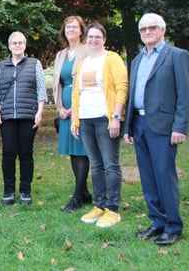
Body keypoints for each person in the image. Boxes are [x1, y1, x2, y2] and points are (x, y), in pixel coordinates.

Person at [123, 13, 189, 246]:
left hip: (164, 127)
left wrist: (180, 126)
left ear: (163, 30)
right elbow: (133, 94)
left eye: (152, 28)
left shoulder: (176, 56)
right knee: (148, 177)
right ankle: (157, 220)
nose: (147, 32)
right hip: (139, 125)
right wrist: (128, 126)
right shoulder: (136, 60)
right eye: (143, 29)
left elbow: (186, 95)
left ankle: (173, 226)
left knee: (164, 175)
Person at [71, 23, 127, 228]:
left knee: (110, 164)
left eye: (97, 37)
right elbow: (78, 93)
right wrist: (75, 120)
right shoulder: (84, 62)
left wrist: (115, 116)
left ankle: (113, 209)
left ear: (104, 39)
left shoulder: (112, 59)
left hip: (105, 118)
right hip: (86, 119)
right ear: (86, 40)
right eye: (90, 37)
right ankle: (100, 205)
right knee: (95, 164)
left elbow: (122, 87)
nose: (93, 40)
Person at [0, 31, 47, 205]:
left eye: (20, 42)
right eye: (14, 43)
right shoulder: (2, 66)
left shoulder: (34, 64)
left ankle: (25, 191)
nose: (17, 45)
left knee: (25, 153)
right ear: (9, 46)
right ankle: (8, 191)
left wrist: (39, 112)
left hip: (28, 115)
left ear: (25, 45)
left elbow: (41, 90)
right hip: (7, 116)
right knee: (8, 153)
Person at [52, 16, 92, 213]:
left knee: (82, 149)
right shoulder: (61, 55)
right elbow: (57, 84)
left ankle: (77, 196)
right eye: (68, 27)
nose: (71, 30)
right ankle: (83, 192)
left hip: (83, 105)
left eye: (75, 27)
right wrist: (60, 107)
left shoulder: (87, 50)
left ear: (81, 30)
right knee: (73, 151)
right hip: (65, 107)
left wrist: (77, 108)